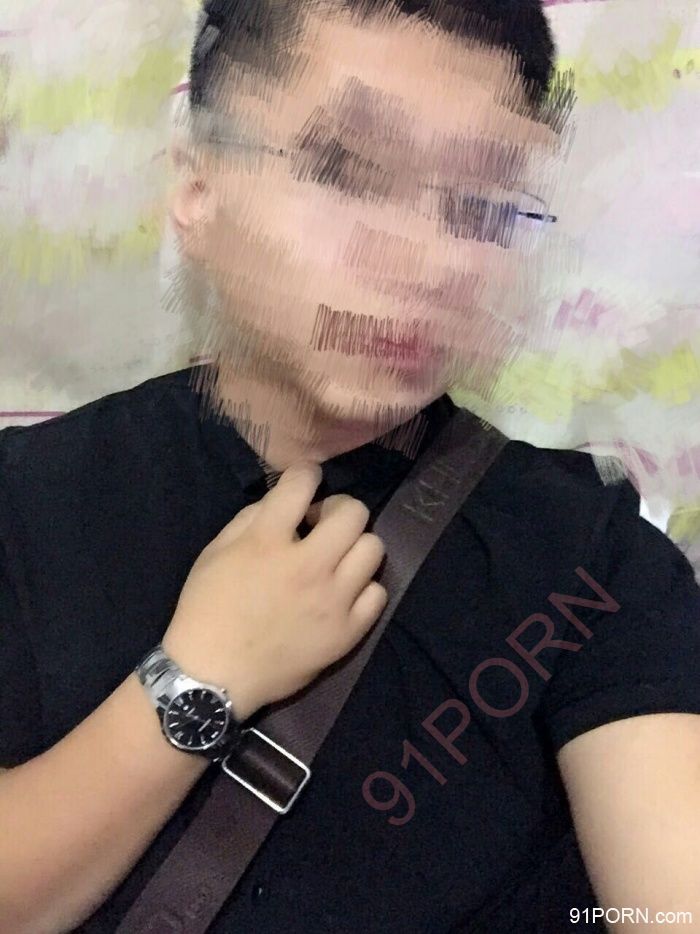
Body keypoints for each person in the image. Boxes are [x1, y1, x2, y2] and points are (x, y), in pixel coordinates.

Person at [1, 1, 699, 931]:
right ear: (198, 189)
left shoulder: (588, 556)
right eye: (345, 171)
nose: (427, 260)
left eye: (483, 206)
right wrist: (200, 675)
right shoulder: (28, 500)